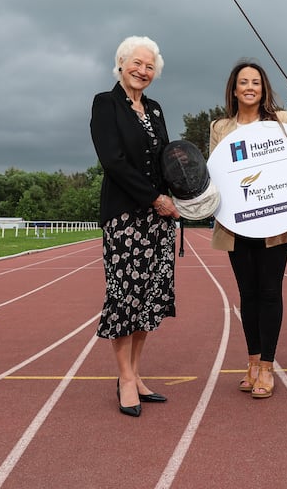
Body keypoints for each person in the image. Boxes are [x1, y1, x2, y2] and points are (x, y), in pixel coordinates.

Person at [209, 60, 287, 399]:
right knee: (247, 294)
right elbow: (216, 178)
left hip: (277, 222)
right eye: (244, 82)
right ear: (234, 89)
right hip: (237, 225)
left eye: (256, 81)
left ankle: (267, 367)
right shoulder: (220, 128)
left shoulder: (282, 122)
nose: (250, 86)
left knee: (270, 291)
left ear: (263, 88)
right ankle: (252, 362)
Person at [90, 35, 181, 417]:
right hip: (126, 215)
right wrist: (154, 198)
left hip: (158, 221)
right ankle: (124, 378)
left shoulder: (156, 109)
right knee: (125, 296)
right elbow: (113, 161)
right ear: (121, 63)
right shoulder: (105, 103)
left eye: (150, 67)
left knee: (149, 298)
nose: (143, 71)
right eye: (137, 63)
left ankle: (137, 373)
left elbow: (166, 159)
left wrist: (182, 192)